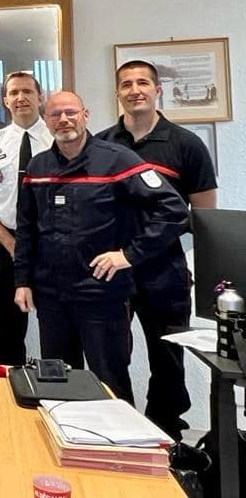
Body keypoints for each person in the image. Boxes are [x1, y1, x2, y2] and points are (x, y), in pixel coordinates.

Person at [14, 91, 188, 404]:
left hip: (102, 296)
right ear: (47, 121)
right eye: (55, 114)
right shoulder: (37, 168)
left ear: (85, 115)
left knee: (110, 385)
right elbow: (27, 229)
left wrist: (129, 255)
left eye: (71, 112)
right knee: (58, 384)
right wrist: (22, 281)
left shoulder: (118, 159)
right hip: (51, 297)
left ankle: (118, 438)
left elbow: (173, 211)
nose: (64, 120)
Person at [97, 60, 217, 439]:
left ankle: (165, 437)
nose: (135, 90)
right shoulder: (101, 144)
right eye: (127, 84)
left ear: (157, 90)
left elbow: (204, 216)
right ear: (117, 93)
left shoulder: (186, 144)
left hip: (165, 271)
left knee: (167, 360)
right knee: (110, 357)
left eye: (143, 83)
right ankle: (119, 433)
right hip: (112, 269)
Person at [0, 71, 52, 365]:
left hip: (51, 244)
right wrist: (9, 243)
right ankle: (10, 387)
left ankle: (57, 389)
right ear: (5, 101)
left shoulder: (57, 138)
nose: (21, 98)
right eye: (14, 93)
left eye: (27, 91)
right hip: (5, 244)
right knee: (8, 332)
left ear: (40, 97)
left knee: (58, 329)